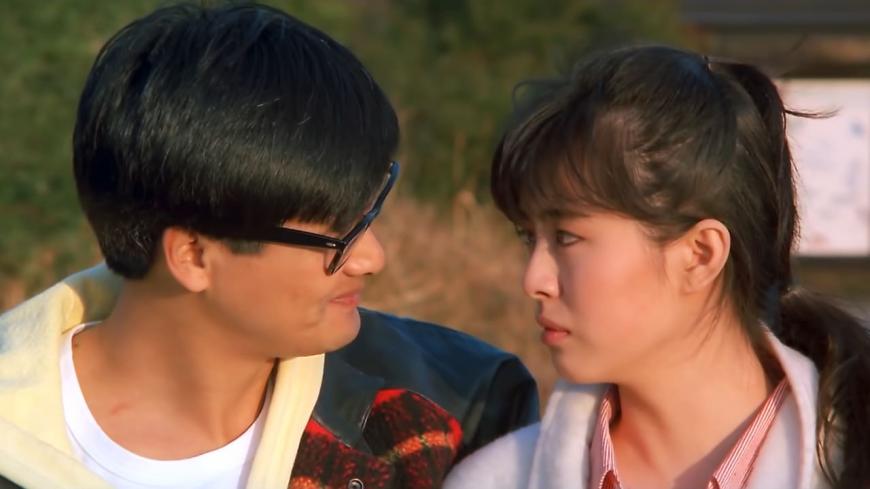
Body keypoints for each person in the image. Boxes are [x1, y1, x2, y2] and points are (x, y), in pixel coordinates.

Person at [0, 4, 539, 488]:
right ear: (193, 255)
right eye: (338, 232)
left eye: (371, 210)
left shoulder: (460, 412)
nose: (373, 258)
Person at [444, 45, 870, 489]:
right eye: (530, 238)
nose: (533, 280)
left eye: (566, 237)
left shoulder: (851, 463)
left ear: (699, 254)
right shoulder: (493, 480)